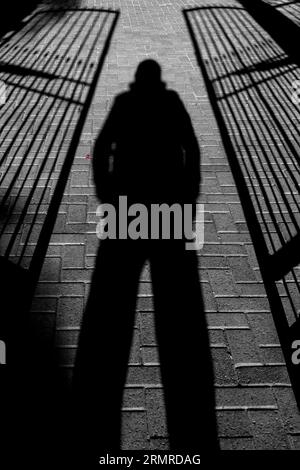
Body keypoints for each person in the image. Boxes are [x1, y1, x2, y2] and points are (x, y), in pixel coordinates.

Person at [72, 59, 218, 455]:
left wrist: (106, 193)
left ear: (138, 81)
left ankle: (97, 389)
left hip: (127, 203)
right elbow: (191, 147)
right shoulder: (171, 102)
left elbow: (102, 147)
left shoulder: (123, 102)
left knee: (113, 299)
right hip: (169, 203)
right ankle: (188, 396)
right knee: (177, 302)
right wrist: (189, 194)